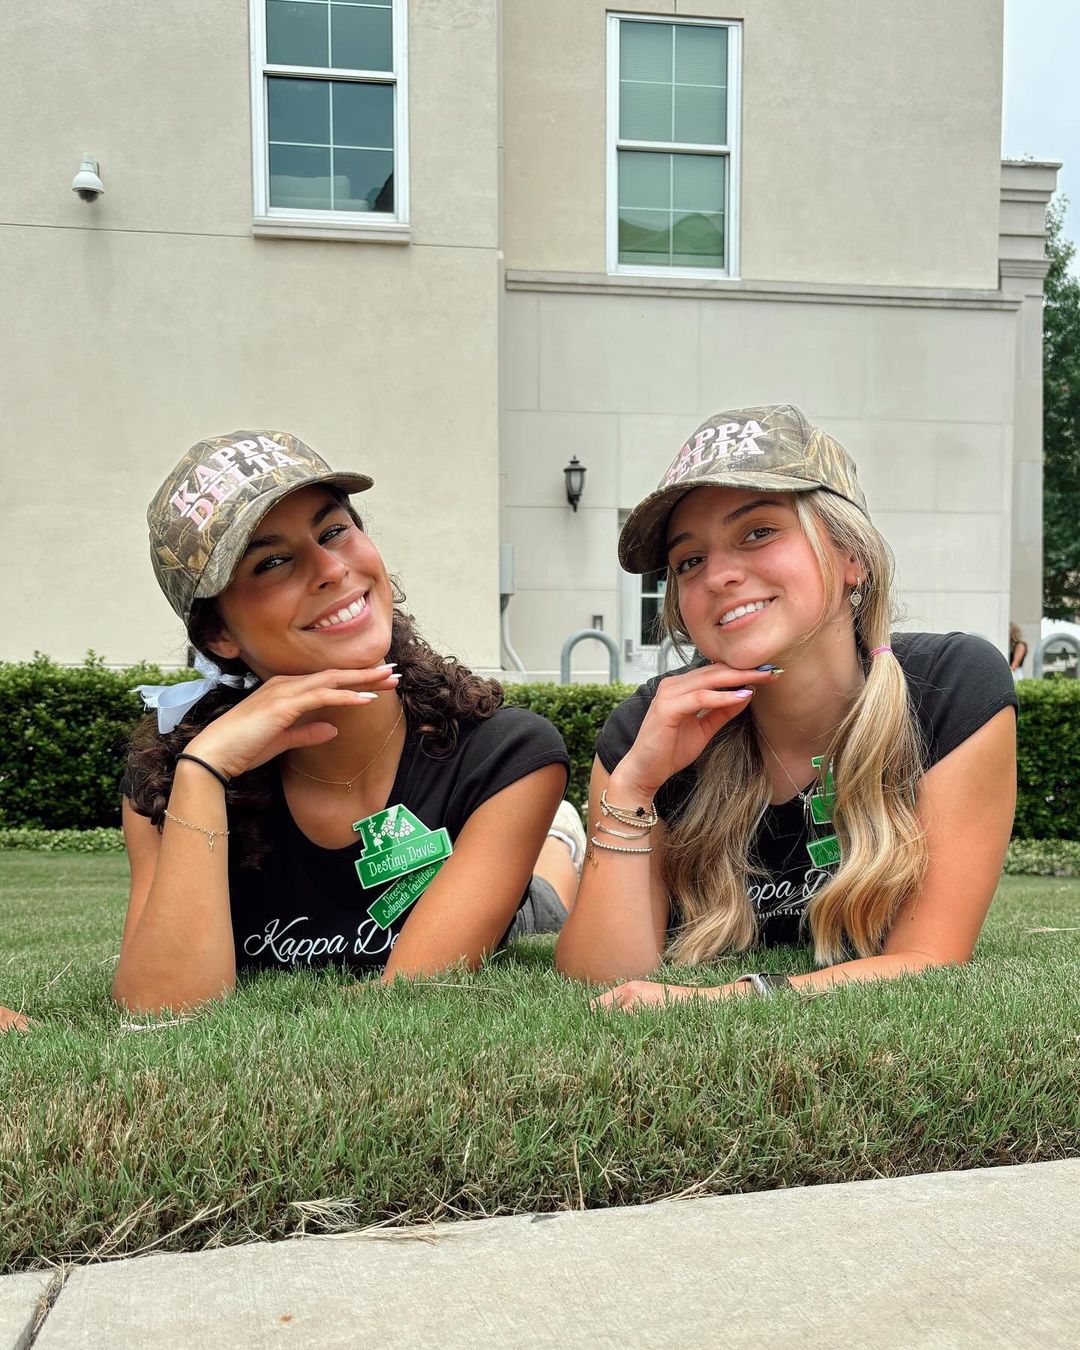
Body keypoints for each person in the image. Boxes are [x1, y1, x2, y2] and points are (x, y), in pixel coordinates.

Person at [555, 405, 1018, 1008]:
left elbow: (929, 959)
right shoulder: (647, 729)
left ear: (852, 555)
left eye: (758, 532)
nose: (718, 576)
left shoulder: (950, 688)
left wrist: (721, 999)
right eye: (689, 561)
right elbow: (601, 981)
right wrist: (634, 786)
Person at [117, 431, 579, 1014]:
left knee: (547, 890)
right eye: (272, 562)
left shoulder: (504, 755)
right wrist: (203, 770)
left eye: (334, 531)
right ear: (219, 634)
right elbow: (160, 1007)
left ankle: (558, 837)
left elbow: (409, 995)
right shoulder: (166, 782)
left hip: (519, 903)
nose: (332, 569)